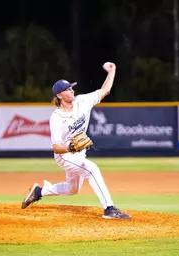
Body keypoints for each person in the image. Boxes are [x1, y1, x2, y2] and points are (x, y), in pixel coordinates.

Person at [21, 62, 131, 219]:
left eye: (71, 87)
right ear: (59, 95)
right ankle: (109, 209)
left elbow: (105, 90)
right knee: (92, 169)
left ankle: (39, 191)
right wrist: (70, 149)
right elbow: (56, 147)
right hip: (65, 156)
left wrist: (112, 71)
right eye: (67, 89)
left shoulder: (82, 101)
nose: (71, 90)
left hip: (79, 154)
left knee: (72, 189)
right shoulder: (56, 117)